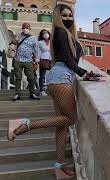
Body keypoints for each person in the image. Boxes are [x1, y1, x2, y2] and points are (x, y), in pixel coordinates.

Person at [7, 4, 100, 179]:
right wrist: (85, 73)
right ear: (58, 17)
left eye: (70, 15)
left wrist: (80, 72)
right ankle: (24, 124)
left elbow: (66, 58)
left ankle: (60, 166)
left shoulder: (63, 34)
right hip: (61, 78)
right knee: (71, 119)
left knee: (62, 126)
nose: (68, 18)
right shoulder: (61, 32)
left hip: (57, 77)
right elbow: (67, 59)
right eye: (64, 15)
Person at [11, 23, 40, 101]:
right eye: (23, 28)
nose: (25, 29)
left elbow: (36, 49)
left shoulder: (33, 38)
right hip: (18, 59)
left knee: (31, 78)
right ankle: (17, 94)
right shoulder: (18, 36)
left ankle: (32, 93)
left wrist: (37, 60)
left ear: (29, 29)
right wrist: (14, 40)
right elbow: (13, 43)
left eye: (26, 28)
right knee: (18, 77)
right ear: (22, 28)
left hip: (28, 60)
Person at [38, 29, 52, 96]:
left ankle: (51, 89)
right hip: (43, 59)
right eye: (43, 33)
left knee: (52, 75)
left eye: (46, 33)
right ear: (42, 35)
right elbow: (38, 51)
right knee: (42, 76)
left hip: (51, 60)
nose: (45, 34)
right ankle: (41, 90)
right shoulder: (40, 42)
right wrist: (38, 60)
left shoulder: (52, 42)